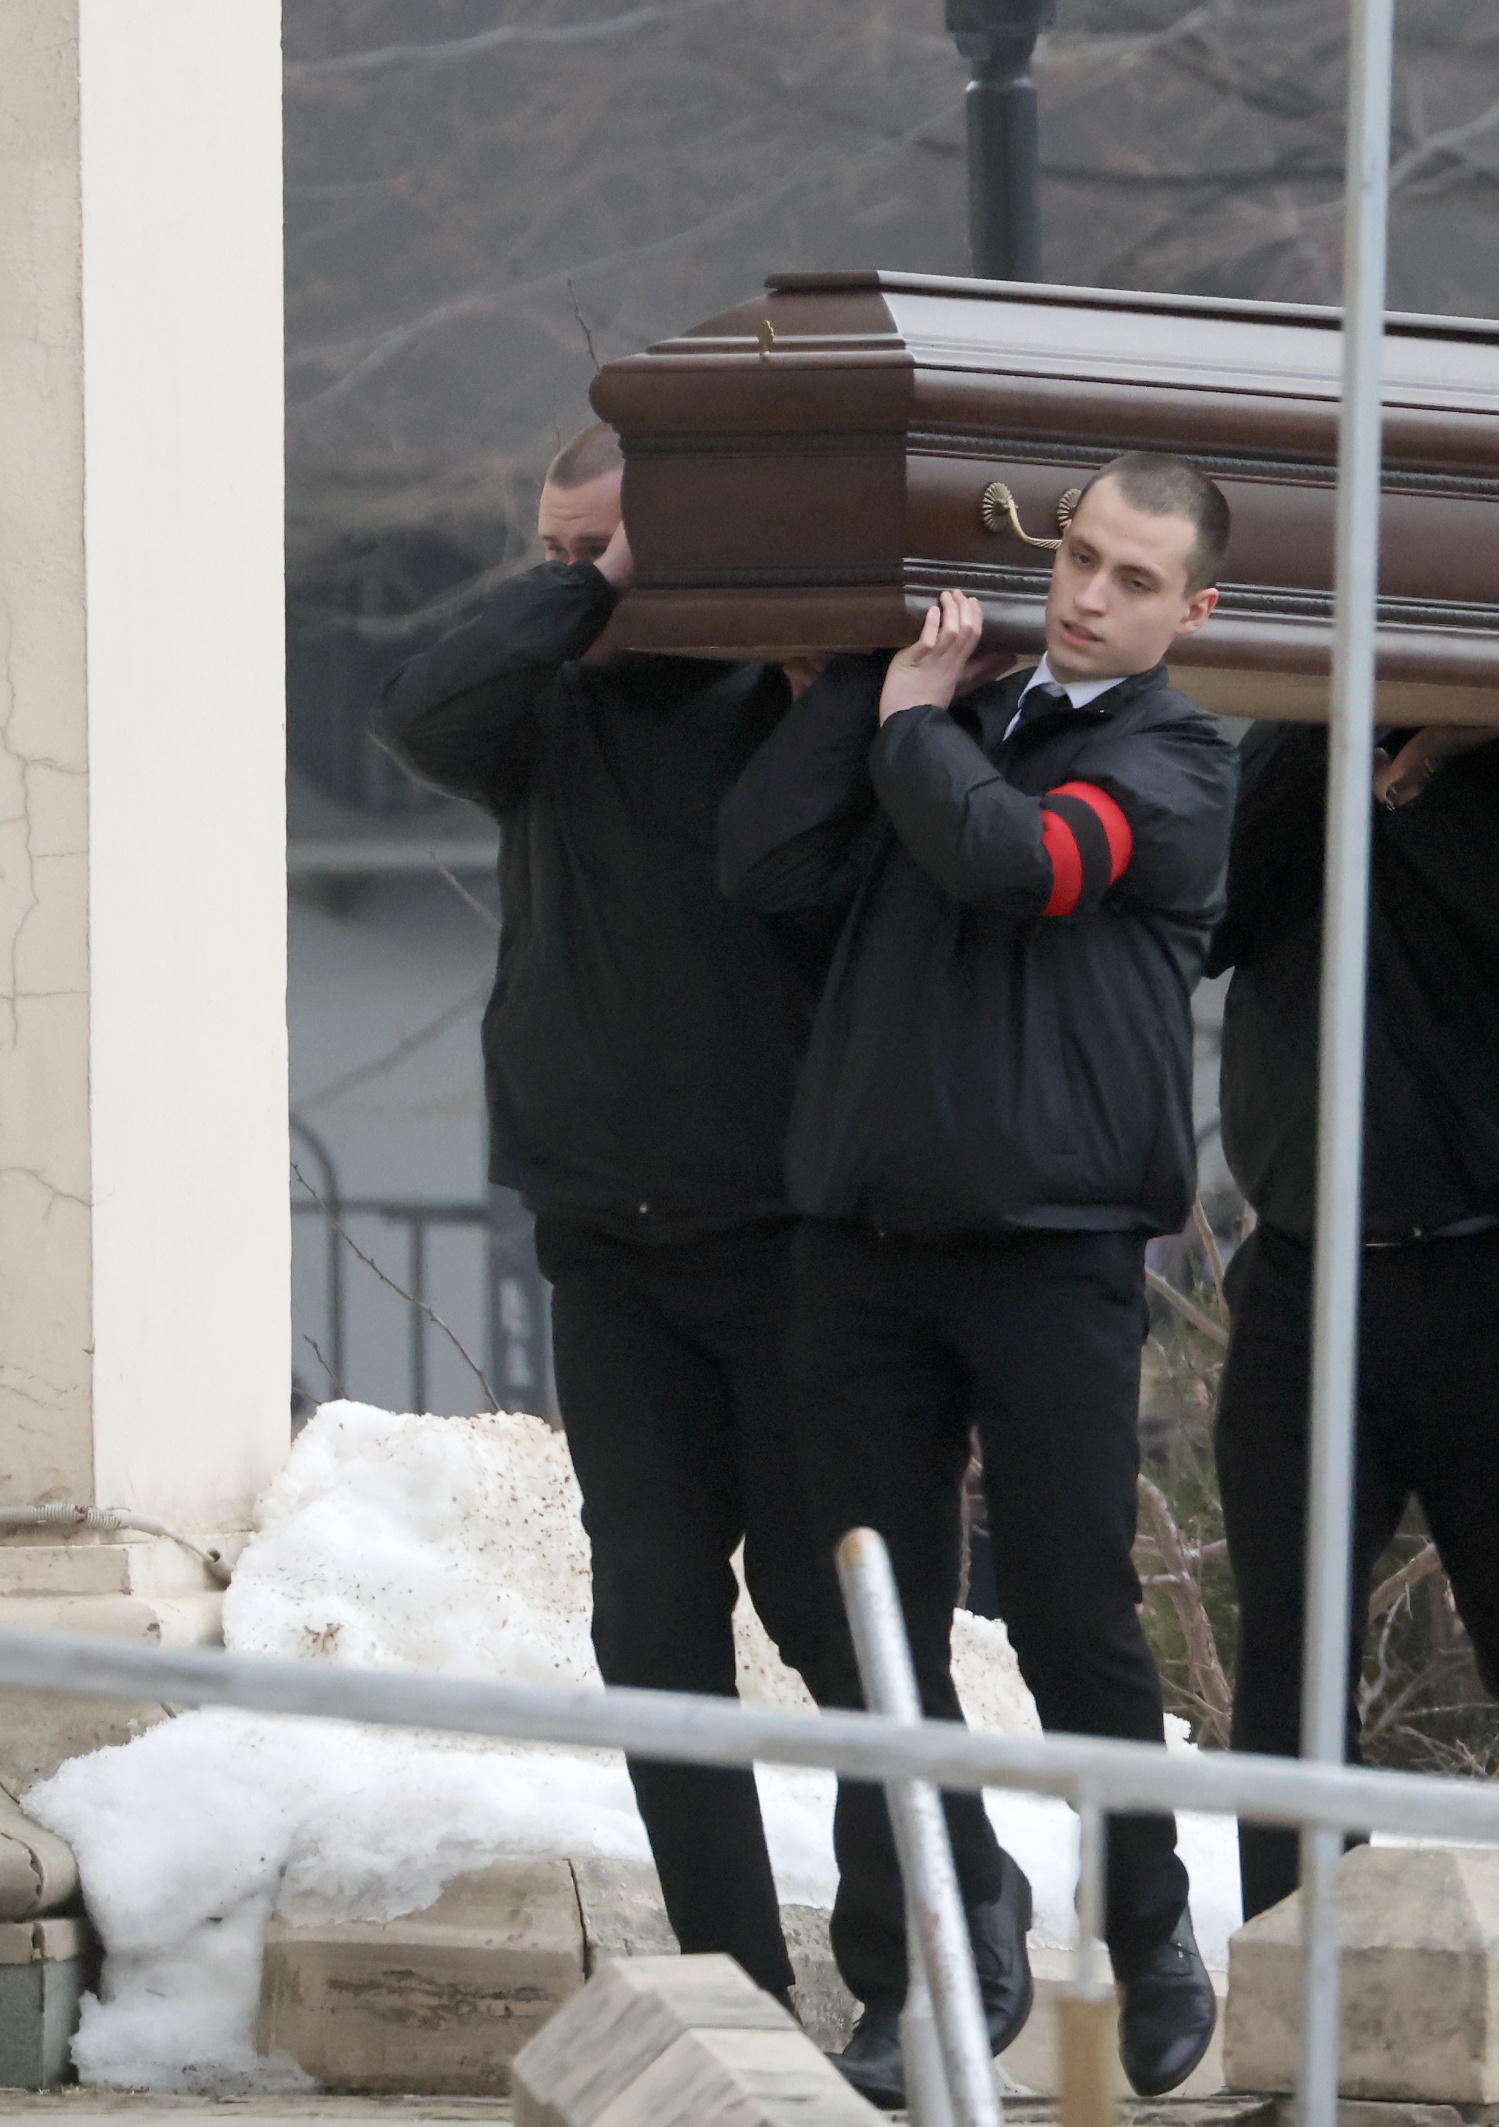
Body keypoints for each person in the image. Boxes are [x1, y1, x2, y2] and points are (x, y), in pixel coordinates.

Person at [716, 455, 1238, 2104]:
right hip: (863, 1247)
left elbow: (1020, 864)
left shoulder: (1174, 757)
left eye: (1132, 577)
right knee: (883, 1625)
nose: (1086, 593)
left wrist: (911, 731)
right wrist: (873, 693)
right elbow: (761, 864)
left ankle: (1148, 1919)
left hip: (1054, 1254)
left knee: (1080, 1613)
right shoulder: (948, 722)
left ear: (1191, 611)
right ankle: (940, 1940)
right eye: (1076, 556)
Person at [374, 423, 863, 2005]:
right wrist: (592, 589)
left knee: (829, 1605)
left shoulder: (786, 696)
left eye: (605, 551)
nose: (572, 581)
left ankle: (913, 1950)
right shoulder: (547, 703)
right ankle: (737, 1980)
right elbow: (419, 707)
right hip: (604, 1224)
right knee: (652, 1620)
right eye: (554, 552)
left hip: (782, 1230)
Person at [1205, 720, 1499, 1917]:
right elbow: (1208, 913)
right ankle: (1299, 2006)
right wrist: (1340, 732)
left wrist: (1422, 783)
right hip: (1305, 1276)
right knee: (1289, 1673)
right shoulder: (1296, 744)